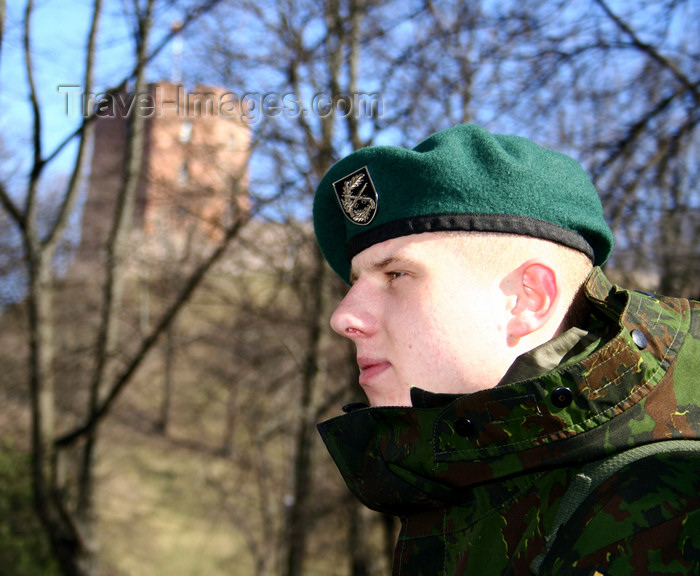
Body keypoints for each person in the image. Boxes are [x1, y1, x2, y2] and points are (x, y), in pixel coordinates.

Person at [312, 124, 700, 575]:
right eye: (357, 282)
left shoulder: (667, 517)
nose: (344, 317)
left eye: (396, 275)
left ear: (528, 299)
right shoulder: (468, 489)